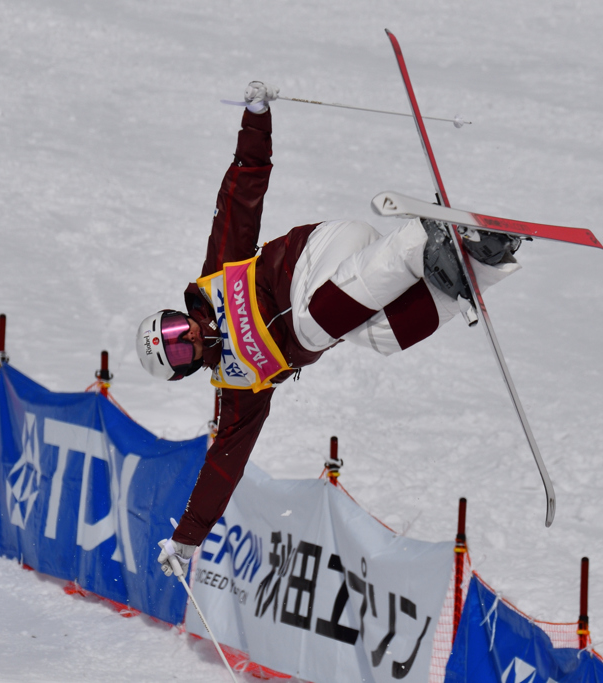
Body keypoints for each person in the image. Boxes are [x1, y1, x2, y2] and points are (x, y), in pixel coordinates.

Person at [144, 82, 521, 575]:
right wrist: (187, 540)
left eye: (174, 327)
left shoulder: (216, 276)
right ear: (185, 370)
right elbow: (223, 466)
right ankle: (478, 262)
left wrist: (256, 120)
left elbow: (241, 195)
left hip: (319, 254)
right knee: (377, 337)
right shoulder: (238, 389)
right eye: (176, 351)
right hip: (354, 282)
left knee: (308, 331)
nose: (186, 337)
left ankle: (417, 242)